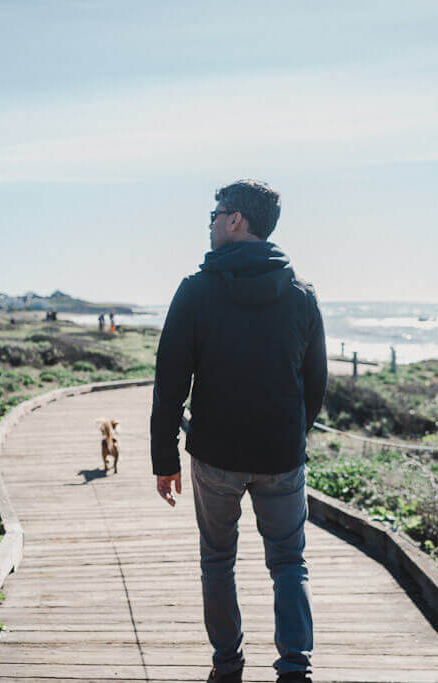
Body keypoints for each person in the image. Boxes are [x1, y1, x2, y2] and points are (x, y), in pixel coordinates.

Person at [150, 180, 327, 683]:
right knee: (289, 563)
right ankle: (295, 670)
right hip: (281, 458)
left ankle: (227, 666)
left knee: (217, 562)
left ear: (236, 221)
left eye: (214, 213)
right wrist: (292, 437)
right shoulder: (302, 296)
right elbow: (314, 384)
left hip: (215, 456)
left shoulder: (195, 291)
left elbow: (170, 384)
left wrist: (164, 459)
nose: (209, 223)